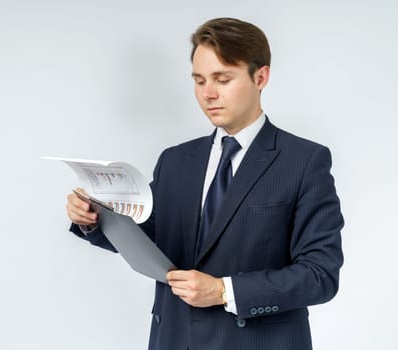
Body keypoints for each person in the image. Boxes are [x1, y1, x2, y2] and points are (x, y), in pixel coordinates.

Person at [66, 17, 343, 350]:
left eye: (222, 79)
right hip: (173, 339)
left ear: (261, 77)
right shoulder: (175, 160)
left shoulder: (303, 161)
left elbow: (320, 275)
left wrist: (224, 291)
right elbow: (148, 241)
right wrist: (93, 219)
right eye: (199, 81)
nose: (208, 94)